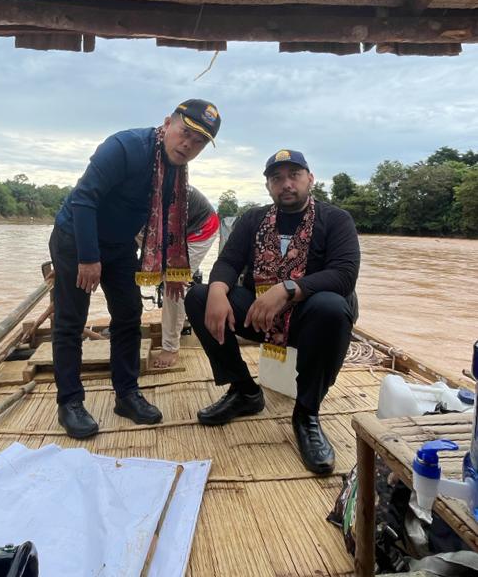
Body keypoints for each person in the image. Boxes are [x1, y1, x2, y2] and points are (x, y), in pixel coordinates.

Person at [50, 99, 221, 439]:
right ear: (167, 123)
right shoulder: (125, 147)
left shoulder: (174, 170)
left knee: (128, 317)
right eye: (185, 132)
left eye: (199, 141)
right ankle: (69, 402)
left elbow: (169, 222)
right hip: (76, 239)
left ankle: (126, 394)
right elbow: (85, 199)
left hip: (120, 245)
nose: (188, 144)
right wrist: (88, 258)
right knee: (71, 321)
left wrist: (174, 271)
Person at [185, 149, 360, 475]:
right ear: (268, 186)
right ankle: (244, 391)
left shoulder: (335, 220)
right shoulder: (254, 219)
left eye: (294, 175)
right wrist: (219, 289)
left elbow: (345, 275)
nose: (286, 184)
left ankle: (306, 412)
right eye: (277, 178)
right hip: (259, 315)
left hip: (309, 320)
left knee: (333, 307)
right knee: (199, 296)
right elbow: (227, 262)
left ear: (310, 179)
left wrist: (286, 289)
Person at [153, 185, 220, 369]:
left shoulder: (165, 188)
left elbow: (171, 233)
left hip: (199, 227)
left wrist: (176, 271)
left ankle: (171, 346)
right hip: (163, 229)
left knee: (174, 281)